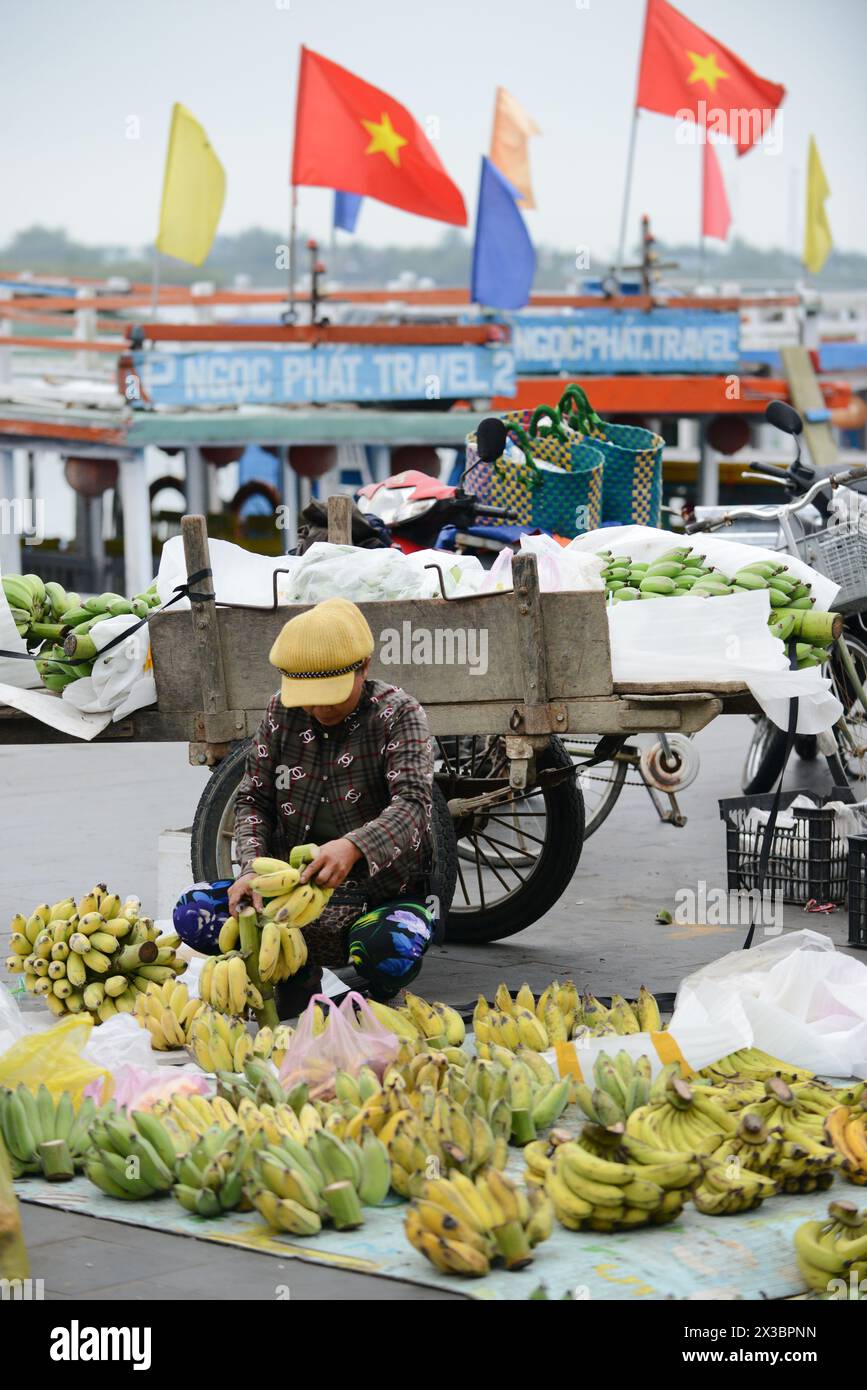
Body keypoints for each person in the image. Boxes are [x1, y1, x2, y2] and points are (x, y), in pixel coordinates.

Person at [229, 596, 436, 1016]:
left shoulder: (398, 714)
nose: (318, 708)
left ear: (364, 667)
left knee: (389, 946)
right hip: (291, 902)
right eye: (307, 697)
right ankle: (296, 974)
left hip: (378, 898)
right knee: (199, 911)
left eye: (330, 696)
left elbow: (414, 805)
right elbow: (254, 800)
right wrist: (251, 867)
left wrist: (354, 846)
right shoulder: (279, 713)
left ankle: (381, 990)